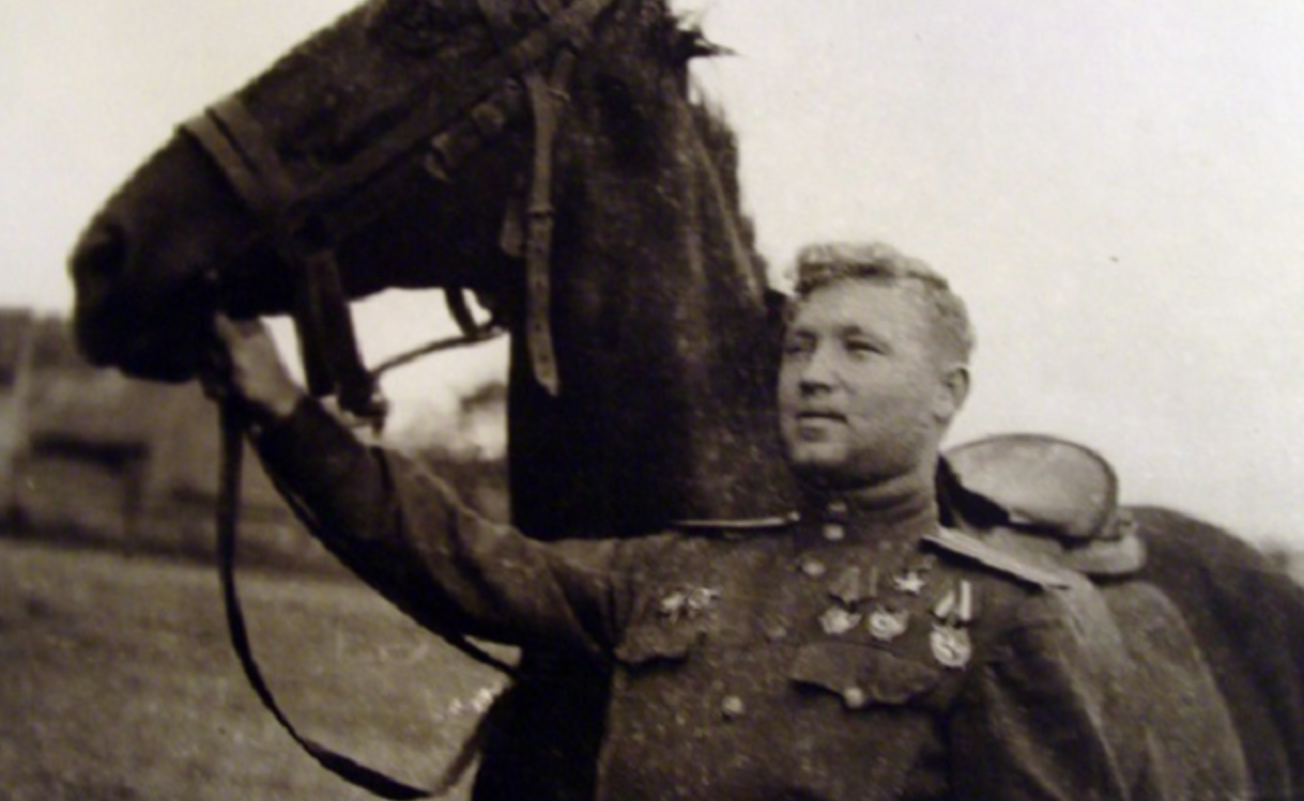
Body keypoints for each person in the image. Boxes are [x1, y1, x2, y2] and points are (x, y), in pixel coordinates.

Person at [208, 241, 1187, 800]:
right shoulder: (676, 571)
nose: (813, 373)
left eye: (858, 349)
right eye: (798, 346)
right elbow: (460, 560)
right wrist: (286, 414)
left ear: (946, 395)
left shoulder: (1005, 619)